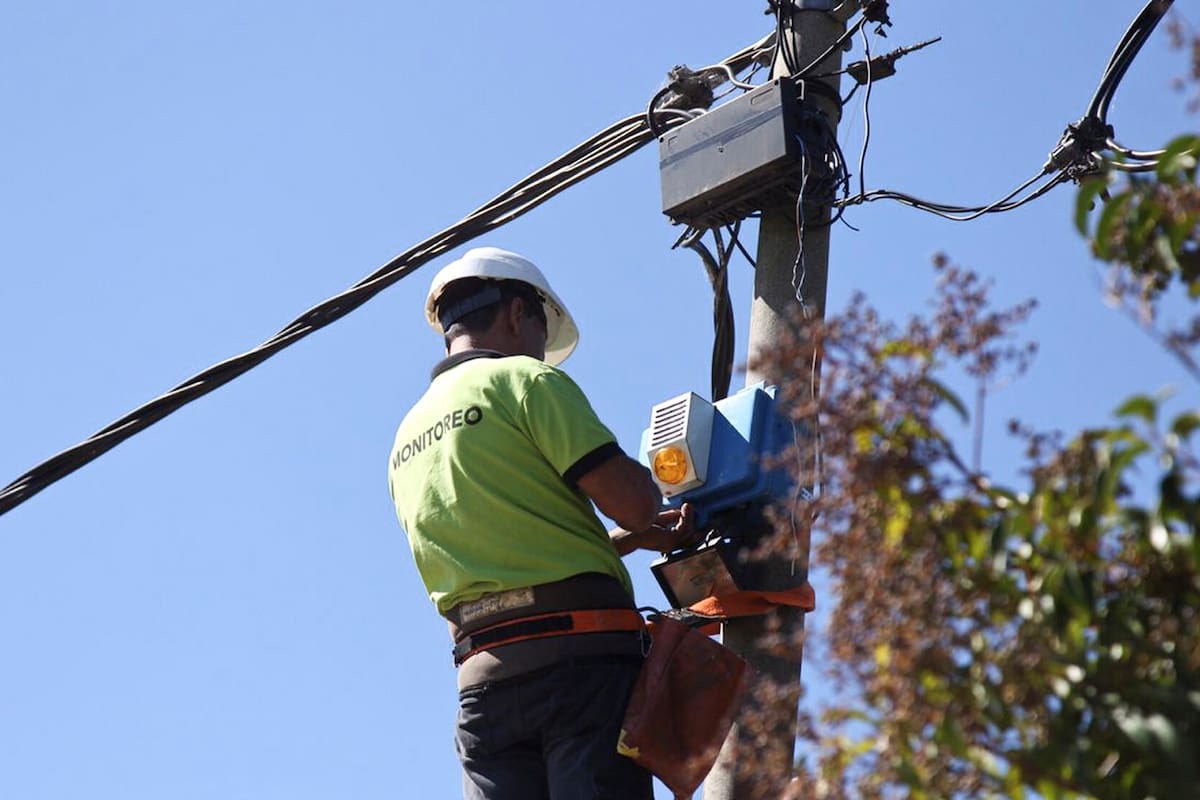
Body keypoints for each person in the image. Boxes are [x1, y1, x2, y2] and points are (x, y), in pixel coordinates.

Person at [387, 246, 697, 800]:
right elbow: (633, 501)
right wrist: (652, 506)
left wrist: (623, 543)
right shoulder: (524, 381)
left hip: (485, 686)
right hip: (580, 672)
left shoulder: (407, 438)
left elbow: (512, 550)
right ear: (516, 314)